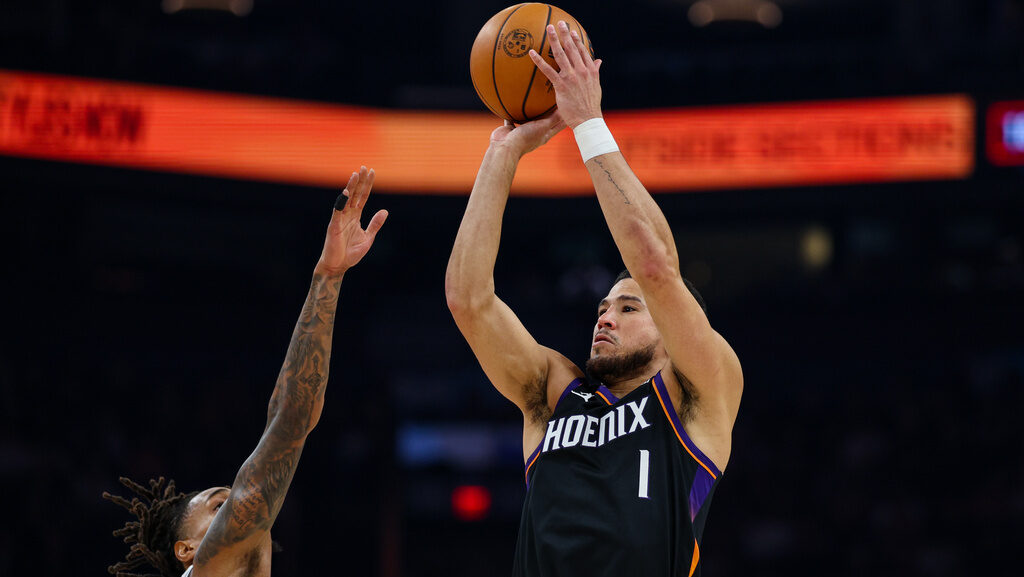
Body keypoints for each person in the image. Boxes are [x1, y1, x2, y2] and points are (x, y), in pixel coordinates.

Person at [445, 22, 743, 577]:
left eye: (628, 308)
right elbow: (469, 300)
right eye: (603, 308)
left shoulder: (698, 392)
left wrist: (589, 124)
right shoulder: (554, 390)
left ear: (677, 329)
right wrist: (503, 156)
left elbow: (654, 267)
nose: (606, 317)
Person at [104, 167, 388, 577]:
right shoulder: (206, 565)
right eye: (220, 508)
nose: (238, 507)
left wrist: (329, 276)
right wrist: (327, 278)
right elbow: (288, 424)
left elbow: (287, 415)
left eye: (227, 504)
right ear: (187, 550)